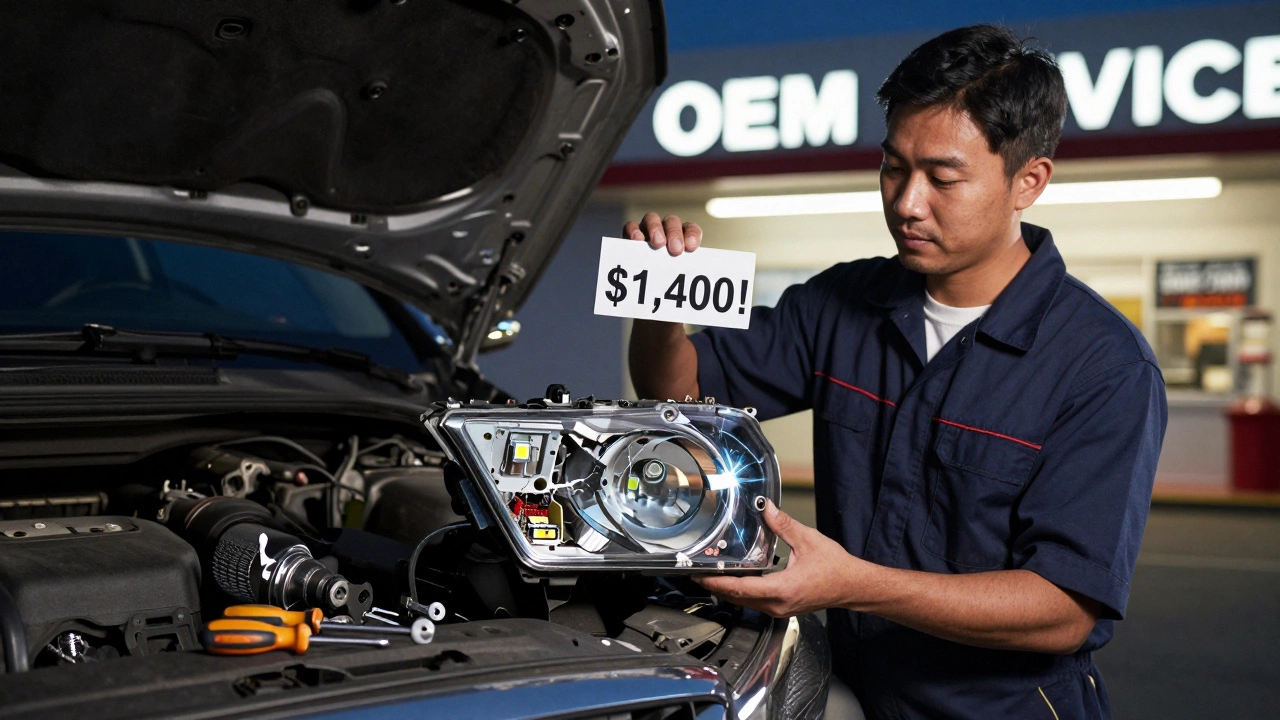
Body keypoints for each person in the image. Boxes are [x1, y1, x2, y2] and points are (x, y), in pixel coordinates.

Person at [625, 25, 1167, 720]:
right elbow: (679, 391)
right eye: (892, 168)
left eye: (943, 177)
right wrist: (657, 303)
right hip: (849, 693)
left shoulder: (1103, 366)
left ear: (1028, 181)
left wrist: (849, 584)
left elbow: (1063, 609)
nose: (907, 202)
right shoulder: (840, 303)